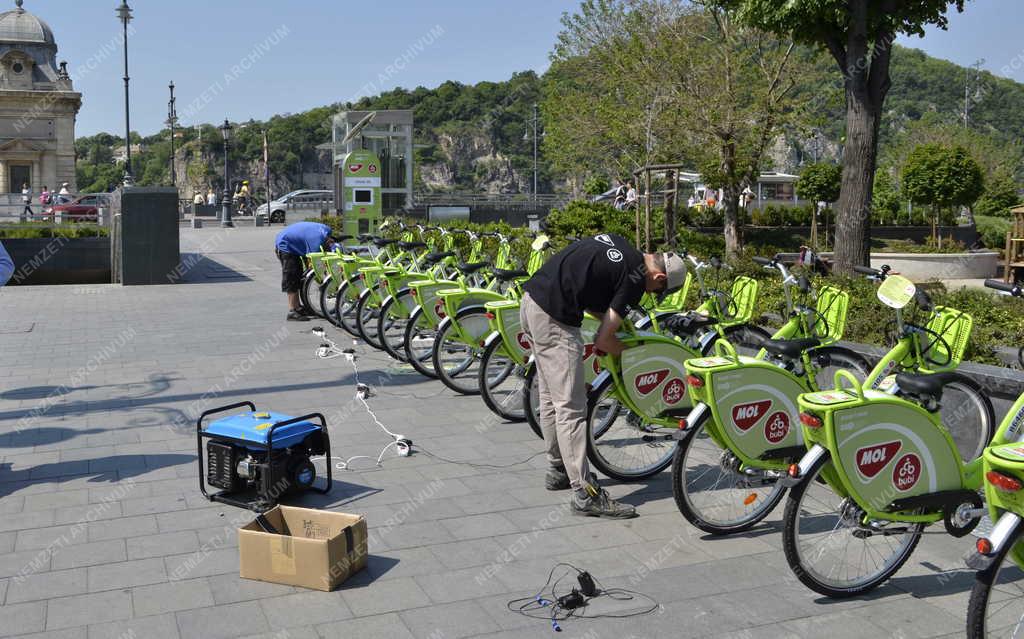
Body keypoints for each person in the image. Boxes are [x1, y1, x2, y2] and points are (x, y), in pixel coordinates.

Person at [519, 233, 687, 518]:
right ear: (658, 278)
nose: (651, 295)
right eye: (657, 291)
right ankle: (585, 493)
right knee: (572, 409)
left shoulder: (621, 245)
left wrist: (613, 322)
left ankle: (559, 469)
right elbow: (603, 341)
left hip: (531, 301)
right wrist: (633, 358)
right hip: (555, 320)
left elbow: (593, 292)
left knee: (551, 397)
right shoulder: (636, 281)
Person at [274, 221, 337, 321]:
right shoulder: (316, 241)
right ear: (328, 242)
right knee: (292, 277)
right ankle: (292, 311)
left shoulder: (326, 230)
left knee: (298, 276)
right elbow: (313, 265)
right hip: (286, 245)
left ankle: (298, 307)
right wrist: (321, 282)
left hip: (293, 243)